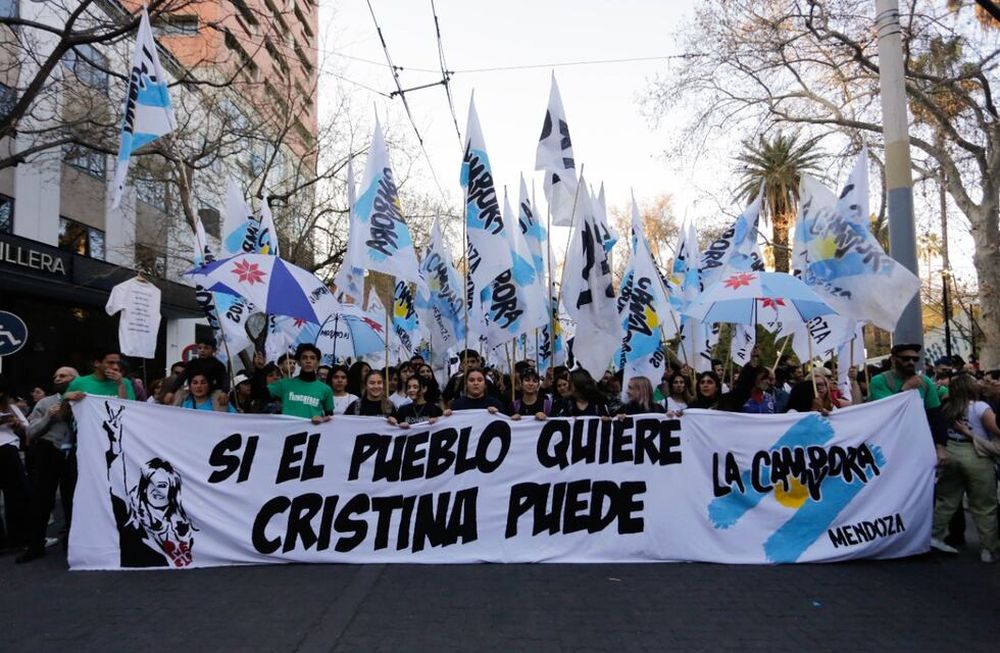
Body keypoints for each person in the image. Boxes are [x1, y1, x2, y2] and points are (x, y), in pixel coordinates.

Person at [929, 373, 1000, 562]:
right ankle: (988, 549)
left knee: (947, 499)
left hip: (951, 451)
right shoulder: (980, 407)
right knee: (984, 505)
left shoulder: (948, 408)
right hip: (976, 455)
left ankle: (934, 535)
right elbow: (996, 431)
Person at [17, 367, 79, 563]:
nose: (58, 379)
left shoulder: (85, 400)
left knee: (73, 500)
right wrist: (48, 417)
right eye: (56, 376)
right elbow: (30, 432)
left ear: (75, 379)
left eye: (63, 376)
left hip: (75, 454)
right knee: (42, 499)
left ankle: (72, 542)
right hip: (48, 451)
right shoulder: (45, 403)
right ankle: (36, 545)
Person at [868, 343, 948, 465]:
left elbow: (935, 415)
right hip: (889, 444)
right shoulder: (879, 381)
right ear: (894, 360)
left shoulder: (925, 382)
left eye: (915, 359)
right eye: (906, 359)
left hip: (919, 442)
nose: (911, 362)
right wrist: (906, 388)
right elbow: (887, 411)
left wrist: (940, 446)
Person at [0, 374, 29, 555]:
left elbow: (26, 426)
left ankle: (17, 537)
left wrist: (16, 423)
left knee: (16, 495)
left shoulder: (10, 407)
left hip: (7, 449)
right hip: (6, 449)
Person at [267, 344, 334, 423]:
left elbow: (330, 419)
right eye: (304, 358)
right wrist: (259, 370)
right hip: (286, 432)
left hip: (312, 433)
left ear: (318, 363)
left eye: (312, 358)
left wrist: (322, 419)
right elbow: (257, 393)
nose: (308, 361)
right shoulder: (284, 384)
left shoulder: (326, 389)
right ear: (298, 362)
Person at [64, 349, 137, 401]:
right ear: (97, 363)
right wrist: (66, 397)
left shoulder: (125, 382)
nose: (116, 367)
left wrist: (121, 385)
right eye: (110, 363)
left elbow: (128, 411)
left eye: (117, 363)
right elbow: (59, 412)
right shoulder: (79, 382)